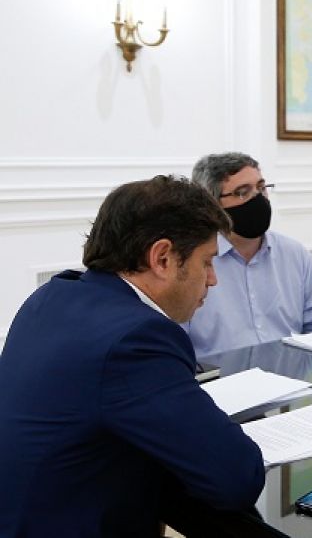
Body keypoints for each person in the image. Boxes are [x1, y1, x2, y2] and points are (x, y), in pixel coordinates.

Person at [0, 176, 276, 537]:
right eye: (207, 262)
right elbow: (237, 478)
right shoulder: (135, 340)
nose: (213, 280)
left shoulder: (52, 296)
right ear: (162, 258)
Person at [187, 152, 312, 357]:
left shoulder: (294, 254)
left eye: (261, 188)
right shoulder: (191, 262)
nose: (257, 198)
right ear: (212, 204)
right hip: (221, 375)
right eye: (242, 192)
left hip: (290, 371)